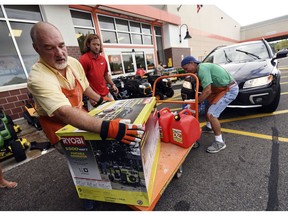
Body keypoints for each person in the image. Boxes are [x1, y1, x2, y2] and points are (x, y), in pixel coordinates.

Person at [27, 21, 144, 210]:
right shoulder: (38, 77)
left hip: (79, 114)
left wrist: (103, 103)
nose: (59, 53)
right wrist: (110, 128)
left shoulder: (73, 63)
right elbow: (64, 113)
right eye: (49, 48)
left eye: (61, 45)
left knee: (99, 154)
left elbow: (85, 87)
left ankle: (108, 186)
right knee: (81, 160)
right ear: (36, 48)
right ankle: (88, 195)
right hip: (58, 127)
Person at [181, 56, 239, 154]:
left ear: (192, 63)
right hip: (220, 90)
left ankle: (220, 142)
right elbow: (206, 90)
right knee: (208, 103)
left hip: (229, 90)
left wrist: (196, 103)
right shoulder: (200, 70)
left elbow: (207, 91)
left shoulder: (202, 69)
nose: (187, 71)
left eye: (186, 68)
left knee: (211, 114)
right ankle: (209, 127)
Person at [79, 34, 118, 110]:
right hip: (94, 97)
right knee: (98, 120)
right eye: (94, 44)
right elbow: (82, 80)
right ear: (88, 45)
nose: (96, 47)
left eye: (98, 44)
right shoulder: (84, 60)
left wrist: (112, 84)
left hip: (106, 94)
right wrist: (90, 96)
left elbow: (106, 74)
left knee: (116, 112)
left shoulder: (102, 59)